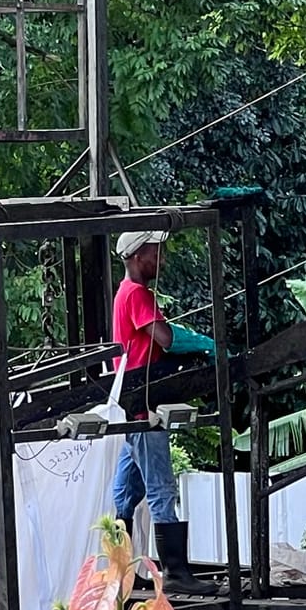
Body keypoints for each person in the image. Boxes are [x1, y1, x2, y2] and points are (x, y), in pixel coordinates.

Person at [107, 229, 203, 590]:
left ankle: (121, 575)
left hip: (133, 401)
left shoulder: (125, 292)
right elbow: (163, 338)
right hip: (144, 404)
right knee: (162, 487)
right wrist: (193, 342)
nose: (160, 257)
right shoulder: (137, 293)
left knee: (125, 492)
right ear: (136, 257)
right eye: (153, 251)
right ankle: (177, 572)